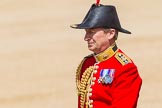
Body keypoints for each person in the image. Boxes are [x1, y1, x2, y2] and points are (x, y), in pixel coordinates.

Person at [70, 1, 142, 108]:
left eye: (91, 32)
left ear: (110, 33)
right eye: (86, 32)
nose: (86, 37)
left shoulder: (125, 69)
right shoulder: (87, 63)